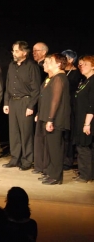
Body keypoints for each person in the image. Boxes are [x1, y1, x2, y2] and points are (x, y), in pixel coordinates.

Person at [3, 41, 41, 170]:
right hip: (13, 101)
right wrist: (6, 102)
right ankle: (15, 158)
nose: (14, 53)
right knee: (14, 133)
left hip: (25, 102)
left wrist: (31, 106)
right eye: (13, 51)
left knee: (26, 133)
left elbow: (36, 89)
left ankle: (27, 160)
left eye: (16, 51)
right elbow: (8, 85)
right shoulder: (11, 66)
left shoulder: (32, 66)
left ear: (24, 52)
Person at [34, 54, 70, 185]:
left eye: (50, 62)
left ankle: (56, 177)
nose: (46, 64)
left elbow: (56, 100)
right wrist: (40, 113)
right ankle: (50, 172)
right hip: (48, 117)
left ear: (59, 64)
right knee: (49, 148)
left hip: (56, 119)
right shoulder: (51, 78)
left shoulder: (60, 78)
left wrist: (50, 119)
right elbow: (45, 98)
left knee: (55, 149)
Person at [73, 55, 94, 183]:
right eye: (81, 64)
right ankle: (87, 173)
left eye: (85, 64)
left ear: (93, 66)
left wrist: (87, 124)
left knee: (84, 147)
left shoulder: (93, 82)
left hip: (87, 120)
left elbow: (92, 105)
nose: (82, 66)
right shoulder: (84, 80)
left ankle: (85, 175)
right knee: (83, 146)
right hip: (81, 118)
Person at [61, 49, 83, 170]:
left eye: (65, 58)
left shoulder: (77, 73)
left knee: (69, 134)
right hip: (61, 104)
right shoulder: (60, 72)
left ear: (71, 60)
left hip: (71, 105)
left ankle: (68, 160)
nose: (63, 61)